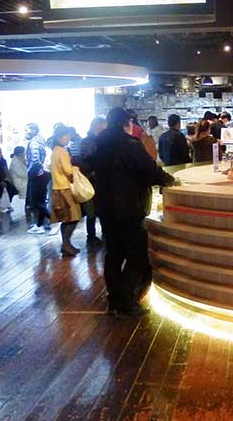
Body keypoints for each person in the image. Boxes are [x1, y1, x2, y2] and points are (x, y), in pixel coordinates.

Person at [92, 108, 175, 318]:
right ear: (126, 123)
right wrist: (169, 181)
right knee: (137, 255)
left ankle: (114, 300)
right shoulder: (129, 145)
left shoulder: (101, 144)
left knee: (113, 255)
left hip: (106, 208)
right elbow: (150, 170)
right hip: (129, 209)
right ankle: (127, 303)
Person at [49, 125, 82, 257]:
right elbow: (68, 170)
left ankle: (66, 244)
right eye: (66, 136)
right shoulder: (62, 151)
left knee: (66, 219)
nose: (68, 138)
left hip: (57, 188)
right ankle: (66, 244)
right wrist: (76, 169)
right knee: (72, 218)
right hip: (65, 188)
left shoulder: (55, 150)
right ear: (60, 137)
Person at [77, 117, 107, 246]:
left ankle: (100, 234)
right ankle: (91, 236)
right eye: (103, 128)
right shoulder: (89, 142)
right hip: (91, 181)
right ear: (97, 127)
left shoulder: (94, 141)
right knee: (92, 211)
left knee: (99, 210)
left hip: (97, 180)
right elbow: (85, 160)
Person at [24, 123, 54, 235]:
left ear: (33, 130)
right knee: (41, 200)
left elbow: (35, 161)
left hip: (37, 175)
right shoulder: (41, 140)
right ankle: (39, 225)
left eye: (27, 130)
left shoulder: (34, 143)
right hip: (44, 174)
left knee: (35, 202)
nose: (25, 132)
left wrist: (30, 172)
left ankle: (53, 221)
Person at [0, 147, 14, 212]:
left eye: (0, 152)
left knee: (11, 188)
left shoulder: (3, 161)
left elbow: (6, 172)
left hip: (4, 179)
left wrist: (7, 180)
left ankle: (8, 205)